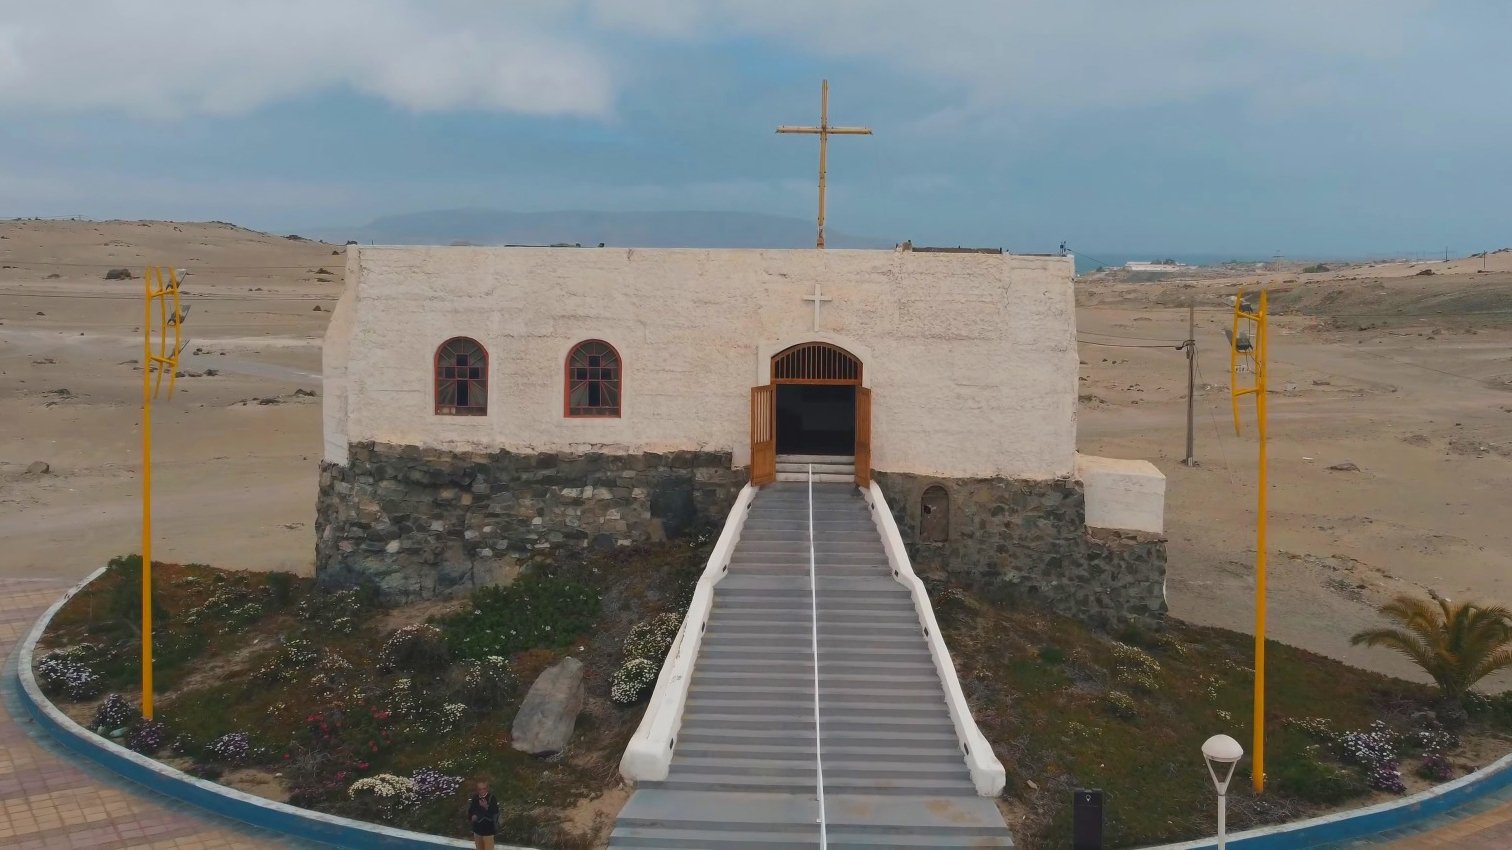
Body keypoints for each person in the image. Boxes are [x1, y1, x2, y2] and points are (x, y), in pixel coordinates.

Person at [468, 780, 499, 849]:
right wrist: (472, 817)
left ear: (487, 788)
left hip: (488, 832)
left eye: (484, 788)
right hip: (477, 831)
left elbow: (495, 812)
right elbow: (470, 810)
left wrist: (486, 807)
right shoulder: (475, 798)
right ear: (477, 790)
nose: (482, 791)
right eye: (479, 789)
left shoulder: (492, 798)